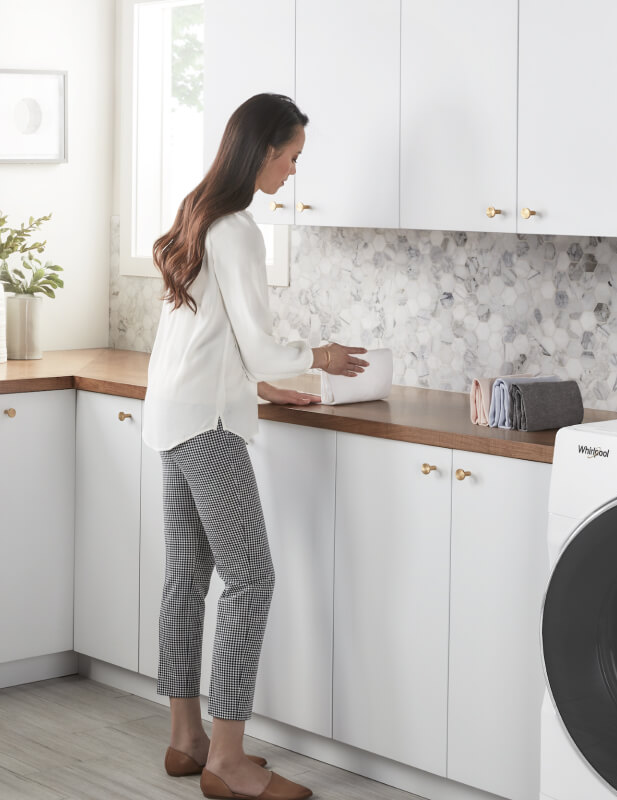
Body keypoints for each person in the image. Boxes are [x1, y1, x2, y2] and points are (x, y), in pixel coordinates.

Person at [143, 93, 368, 800]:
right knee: (252, 577)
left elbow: (205, 334)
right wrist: (322, 355)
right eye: (292, 156)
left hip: (172, 412)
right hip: (206, 425)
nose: (294, 172)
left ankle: (187, 739)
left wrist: (261, 390)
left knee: (187, 576)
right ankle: (230, 760)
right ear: (263, 150)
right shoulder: (239, 229)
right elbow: (264, 343)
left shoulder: (197, 210)